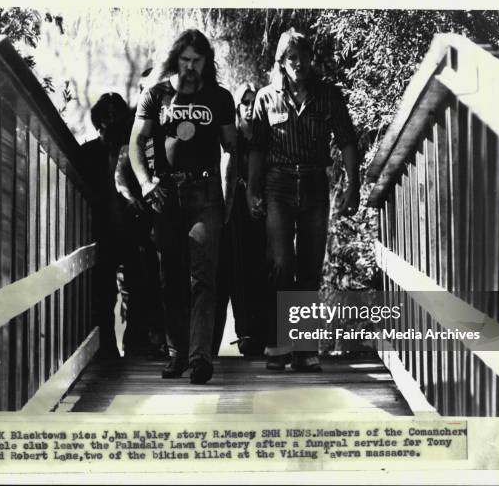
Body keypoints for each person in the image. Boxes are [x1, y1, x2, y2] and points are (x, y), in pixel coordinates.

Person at [247, 29, 361, 371]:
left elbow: (347, 142)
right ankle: (278, 344)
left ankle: (305, 349)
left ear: (311, 58)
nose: (298, 63)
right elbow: (256, 149)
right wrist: (253, 189)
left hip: (314, 183)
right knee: (281, 263)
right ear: (282, 62)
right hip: (278, 185)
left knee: (310, 265)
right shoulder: (266, 98)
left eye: (303, 56)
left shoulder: (328, 96)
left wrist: (353, 185)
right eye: (290, 58)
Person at [128, 29, 237, 384]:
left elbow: (232, 149)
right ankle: (177, 353)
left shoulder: (220, 98)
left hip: (206, 193)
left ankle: (200, 358)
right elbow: (136, 143)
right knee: (171, 277)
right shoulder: (154, 95)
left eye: (197, 61)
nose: (190, 67)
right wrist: (146, 183)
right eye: (185, 60)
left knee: (203, 279)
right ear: (176, 59)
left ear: (207, 62)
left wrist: (228, 191)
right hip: (166, 193)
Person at [114, 68, 167, 359]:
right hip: (140, 216)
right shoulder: (131, 123)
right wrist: (132, 198)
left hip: (170, 212)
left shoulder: (172, 114)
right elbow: (121, 168)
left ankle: (168, 341)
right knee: (140, 280)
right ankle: (138, 344)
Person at [77, 92, 133, 363]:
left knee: (135, 291)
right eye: (104, 121)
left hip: (132, 232)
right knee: (104, 294)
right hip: (102, 234)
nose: (108, 126)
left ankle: (134, 348)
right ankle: (107, 350)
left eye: (115, 120)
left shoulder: (135, 151)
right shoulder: (87, 155)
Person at [212, 83, 267, 357]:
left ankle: (271, 336)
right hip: (233, 212)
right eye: (244, 102)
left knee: (267, 269)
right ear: (236, 106)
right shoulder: (229, 138)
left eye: (254, 101)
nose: (249, 106)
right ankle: (244, 334)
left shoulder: (268, 136)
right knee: (235, 271)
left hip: (263, 209)